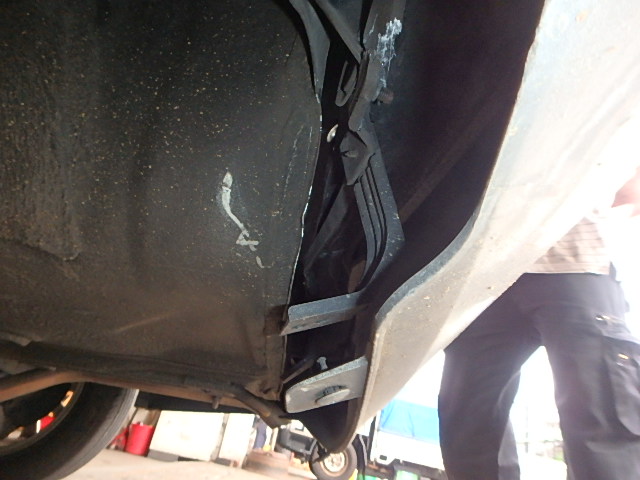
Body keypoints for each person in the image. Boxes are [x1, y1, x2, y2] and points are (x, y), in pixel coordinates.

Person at [438, 167, 640, 480]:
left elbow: (631, 184)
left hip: (574, 261)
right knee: (468, 426)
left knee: (601, 427)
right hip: (489, 271)